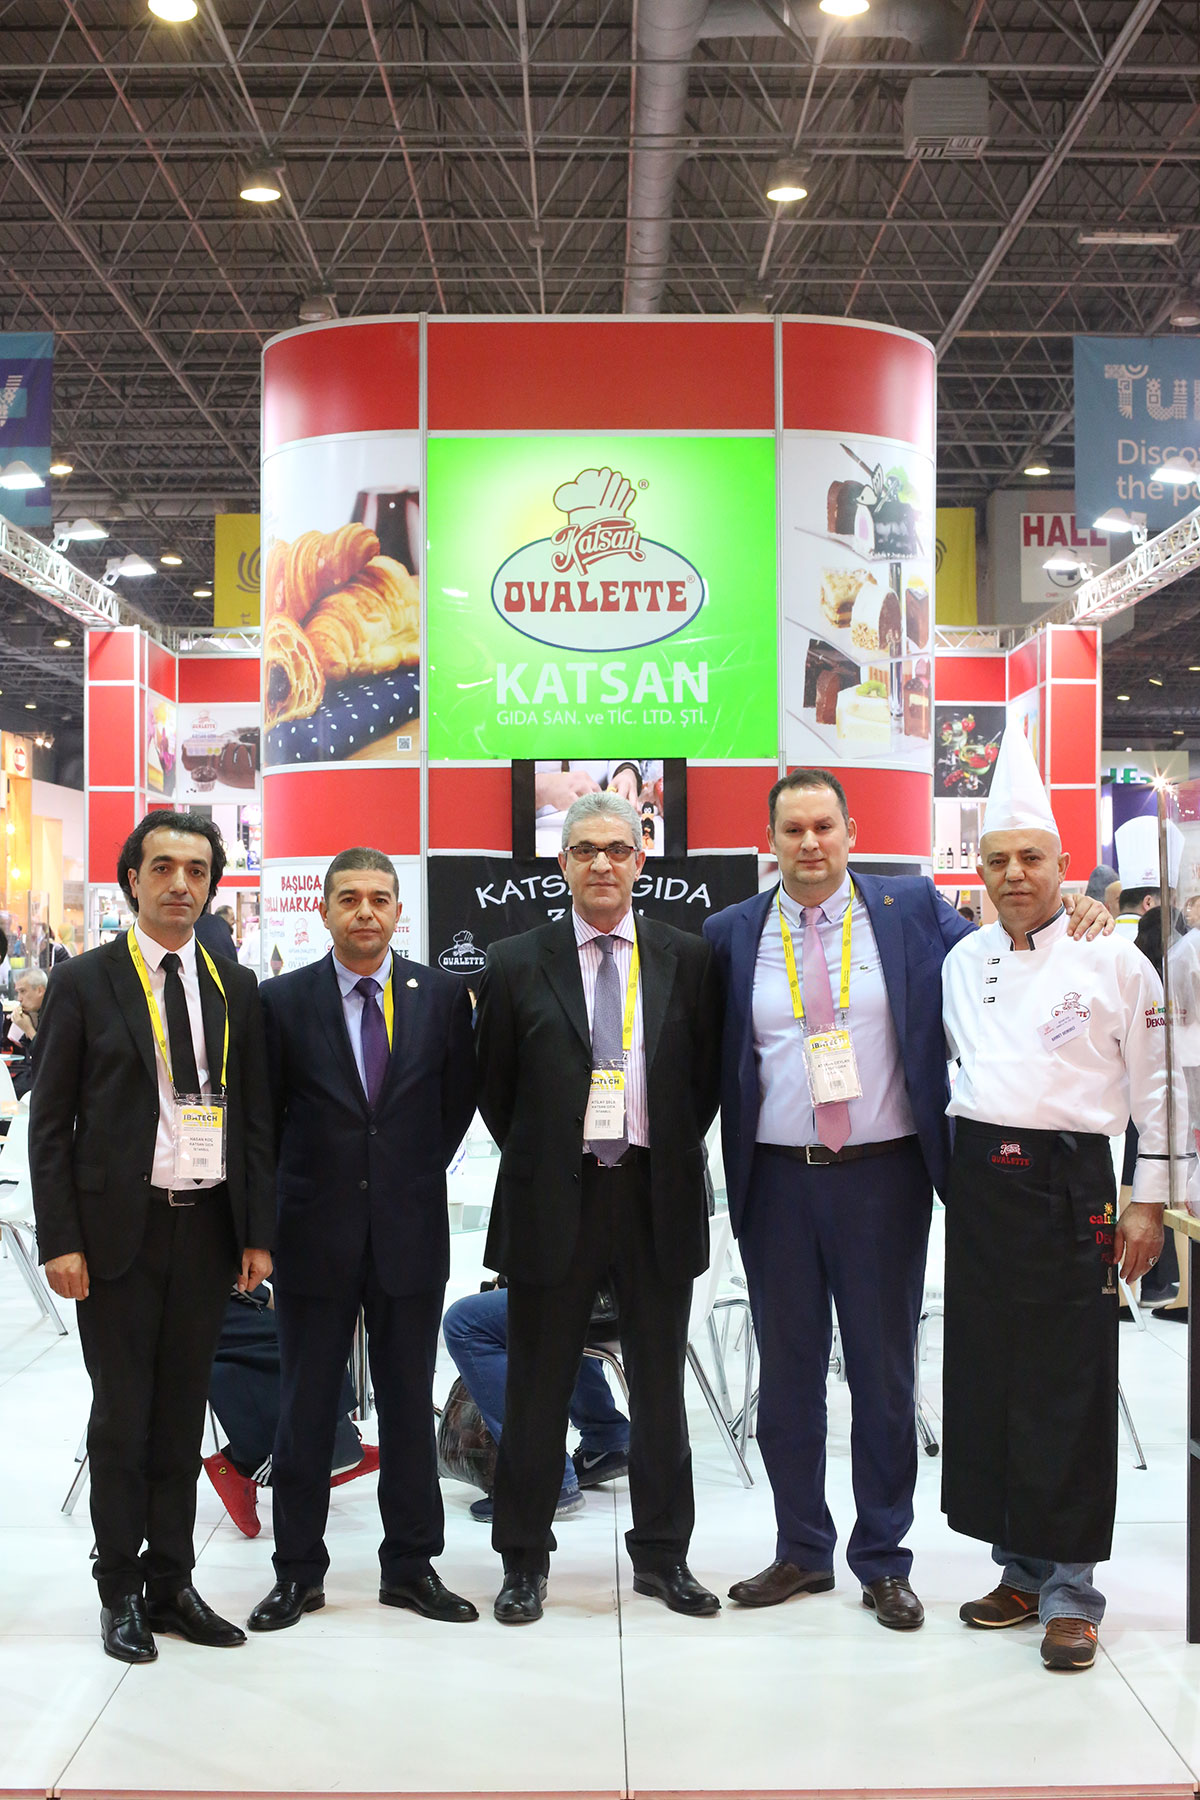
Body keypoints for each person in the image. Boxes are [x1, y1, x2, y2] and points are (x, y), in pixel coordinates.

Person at [702, 768, 1112, 1630]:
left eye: (824, 827)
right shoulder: (730, 933)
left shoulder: (911, 909)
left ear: (851, 832)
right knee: (788, 1380)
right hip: (777, 1181)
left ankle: (883, 1559)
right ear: (770, 842)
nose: (810, 844)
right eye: (792, 830)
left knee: (884, 1376)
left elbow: (1013, 949)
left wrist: (1077, 912)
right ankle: (801, 1548)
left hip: (883, 1179)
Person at [941, 726, 1184, 1672]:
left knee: (1068, 1385)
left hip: (1072, 1179)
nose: (1014, 875)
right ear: (981, 870)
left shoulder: (1115, 960)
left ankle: (1073, 1592)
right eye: (998, 859)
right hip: (981, 1186)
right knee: (990, 1378)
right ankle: (1018, 1567)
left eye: (1032, 858)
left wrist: (1148, 1201)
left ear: (1062, 864)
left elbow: (1160, 1088)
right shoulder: (962, 960)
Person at [29, 811, 275, 1665]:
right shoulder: (86, 981)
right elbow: (50, 1124)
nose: (180, 884)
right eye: (163, 867)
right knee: (122, 1420)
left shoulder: (233, 985)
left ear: (212, 885)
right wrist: (60, 1238)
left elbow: (252, 1119)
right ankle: (119, 1590)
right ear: (132, 879)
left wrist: (257, 1233)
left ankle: (173, 1582)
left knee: (180, 1419)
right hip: (115, 1237)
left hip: (206, 1230)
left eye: (197, 870)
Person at [475, 791, 721, 1624]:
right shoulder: (515, 961)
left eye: (618, 849)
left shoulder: (690, 957)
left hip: (655, 1195)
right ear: (563, 864)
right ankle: (523, 1561)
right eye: (585, 850)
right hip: (554, 1197)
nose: (602, 864)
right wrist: (555, 1154)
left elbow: (703, 1084)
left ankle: (664, 1556)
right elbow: (496, 1091)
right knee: (537, 1391)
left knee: (659, 1393)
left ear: (641, 859)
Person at [248, 847, 478, 1633]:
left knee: (409, 1406)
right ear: (323, 910)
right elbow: (262, 1121)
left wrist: (403, 1172)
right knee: (306, 1406)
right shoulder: (281, 1001)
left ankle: (411, 1567)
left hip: (409, 1233)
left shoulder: (439, 996)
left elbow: (453, 1106)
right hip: (312, 1233)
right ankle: (297, 1573)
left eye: (380, 897)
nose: (366, 911)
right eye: (349, 898)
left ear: (398, 911)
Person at [442, 1283, 630, 1521]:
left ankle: (542, 1477)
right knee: (563, 1299)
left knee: (464, 1322)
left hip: (604, 1300)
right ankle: (606, 1437)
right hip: (644, 1297)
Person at [205, 1283, 379, 1539]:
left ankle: (334, 1441)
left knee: (318, 1328)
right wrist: (269, 1296)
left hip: (229, 1295)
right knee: (304, 1338)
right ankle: (245, 1464)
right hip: (201, 1302)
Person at [6, 966, 47, 1098]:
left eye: (23, 991)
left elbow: (48, 1057)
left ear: (40, 990)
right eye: (18, 992)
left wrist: (28, 1029)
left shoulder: (56, 1016)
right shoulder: (33, 1015)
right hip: (30, 1081)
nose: (19, 998)